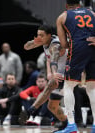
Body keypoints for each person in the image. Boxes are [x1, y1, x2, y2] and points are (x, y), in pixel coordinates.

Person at [56, 0, 95, 132]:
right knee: (92, 87)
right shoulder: (92, 13)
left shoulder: (63, 16)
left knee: (68, 85)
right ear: (80, 4)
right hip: (93, 48)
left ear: (66, 5)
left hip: (77, 48)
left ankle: (71, 126)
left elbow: (63, 43)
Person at [24, 25, 68, 131]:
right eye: (38, 35)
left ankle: (31, 110)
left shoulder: (55, 45)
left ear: (49, 35)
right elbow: (26, 47)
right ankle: (65, 123)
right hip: (60, 72)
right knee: (52, 106)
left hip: (70, 72)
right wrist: (35, 41)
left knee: (49, 87)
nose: (39, 37)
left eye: (41, 35)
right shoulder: (44, 42)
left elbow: (53, 60)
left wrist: (53, 73)